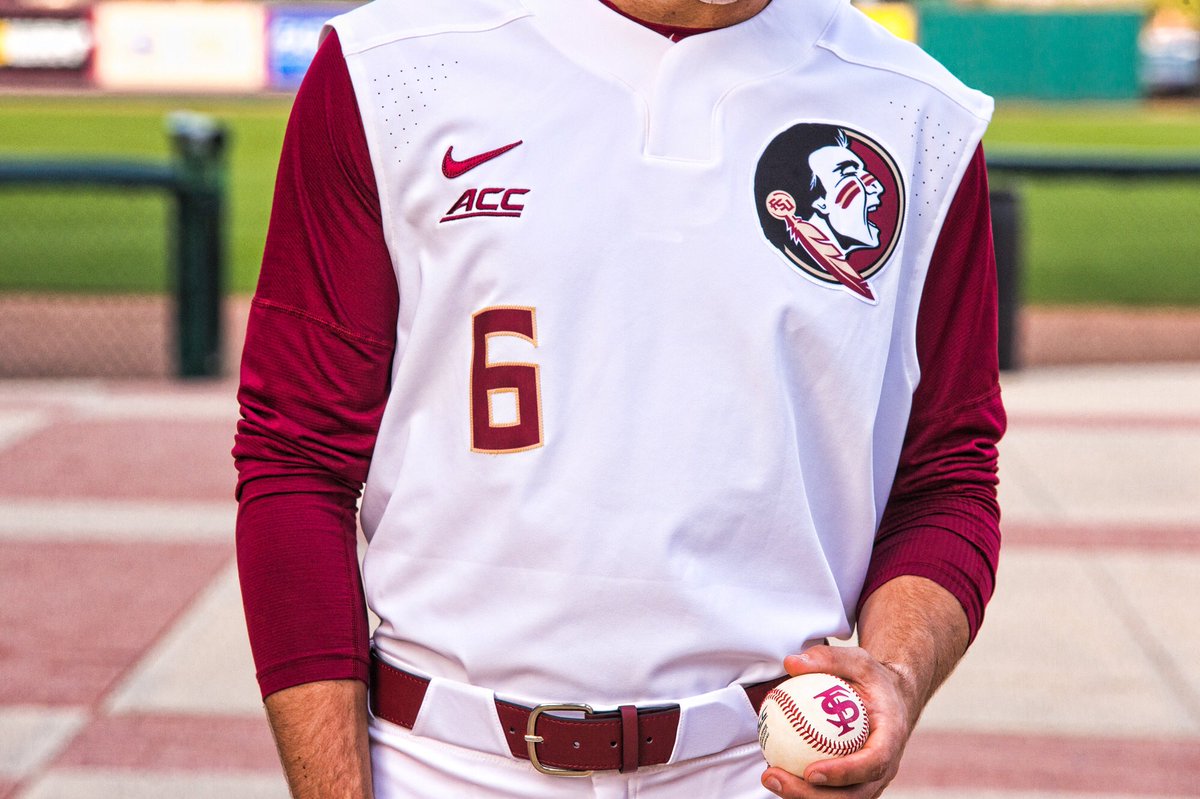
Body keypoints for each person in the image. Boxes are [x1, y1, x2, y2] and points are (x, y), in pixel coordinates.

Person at [233, 0, 1005, 797]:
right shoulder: (393, 65)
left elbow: (945, 481)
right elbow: (296, 457)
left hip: (763, 764)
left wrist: (899, 676)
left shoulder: (919, 114)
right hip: (440, 762)